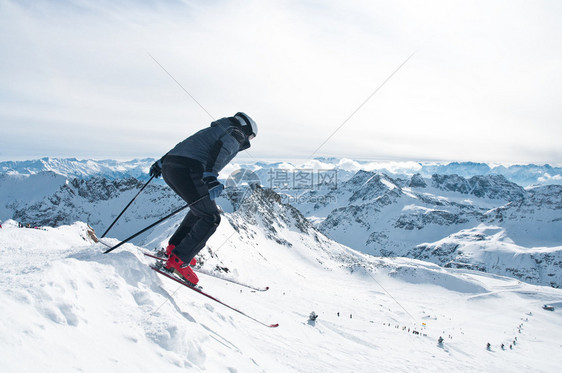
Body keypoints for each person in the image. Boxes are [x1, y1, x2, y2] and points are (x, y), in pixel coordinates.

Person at [149, 113, 257, 286]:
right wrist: (210, 177)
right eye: (251, 136)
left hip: (171, 168)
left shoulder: (214, 130)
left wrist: (161, 163)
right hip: (189, 170)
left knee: (200, 209)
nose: (249, 140)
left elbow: (184, 144)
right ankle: (178, 260)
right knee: (211, 217)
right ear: (246, 129)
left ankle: (174, 249)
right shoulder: (235, 133)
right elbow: (221, 150)